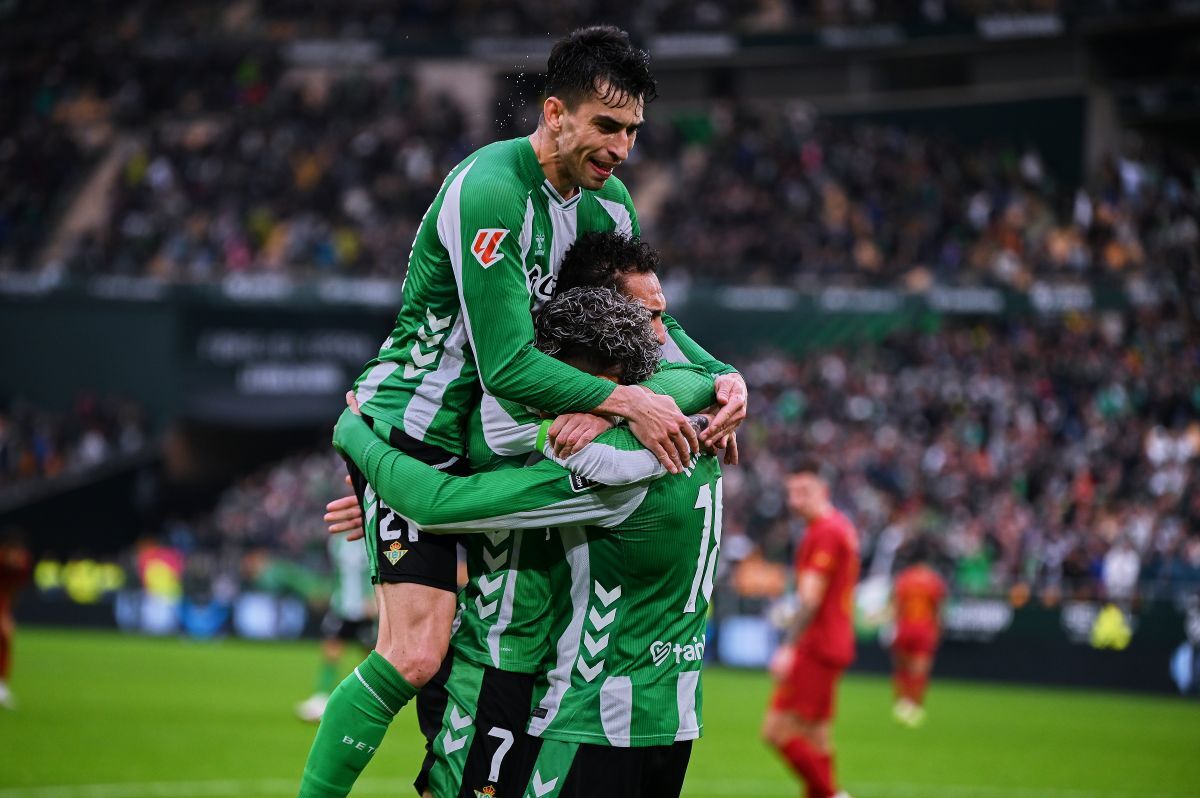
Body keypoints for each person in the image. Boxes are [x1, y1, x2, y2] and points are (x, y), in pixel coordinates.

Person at [299, 27, 748, 798]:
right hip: (422, 426)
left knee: (522, 622)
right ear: (555, 113)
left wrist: (722, 375)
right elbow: (507, 365)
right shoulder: (490, 190)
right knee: (416, 652)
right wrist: (622, 400)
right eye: (607, 126)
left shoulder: (608, 204)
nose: (623, 148)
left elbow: (646, 315)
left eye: (634, 129)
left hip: (501, 431)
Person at [334, 287, 723, 798]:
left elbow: (437, 502)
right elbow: (701, 374)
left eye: (557, 378)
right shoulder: (698, 426)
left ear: (600, 382)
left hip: (594, 715)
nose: (545, 392)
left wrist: (354, 434)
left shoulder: (605, 463)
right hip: (674, 715)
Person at [763, 462, 859, 798]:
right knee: (817, 735)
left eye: (804, 492)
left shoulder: (824, 532)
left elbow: (810, 599)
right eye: (791, 492)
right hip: (835, 641)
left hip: (816, 645)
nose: (795, 501)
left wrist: (788, 646)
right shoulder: (840, 527)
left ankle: (833, 795)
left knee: (776, 731)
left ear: (824, 491)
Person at [296, 534, 376, 723]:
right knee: (331, 648)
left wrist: (374, 597)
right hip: (342, 606)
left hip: (366, 608)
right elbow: (335, 573)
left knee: (371, 656)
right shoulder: (337, 540)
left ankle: (371, 701)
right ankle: (321, 697)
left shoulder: (371, 535)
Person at [890, 539, 947, 728]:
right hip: (924, 629)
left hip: (905, 627)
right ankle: (915, 707)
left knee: (902, 669)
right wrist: (938, 631)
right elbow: (938, 610)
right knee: (920, 671)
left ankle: (901, 705)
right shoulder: (934, 581)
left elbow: (896, 608)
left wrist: (893, 628)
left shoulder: (904, 579)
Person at [0, 528, 33, 710]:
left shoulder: (23, 564)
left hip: (2, 600)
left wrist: (6, 613)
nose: (17, 558)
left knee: (5, 639)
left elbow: (12, 591)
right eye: (14, 554)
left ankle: (1, 687)